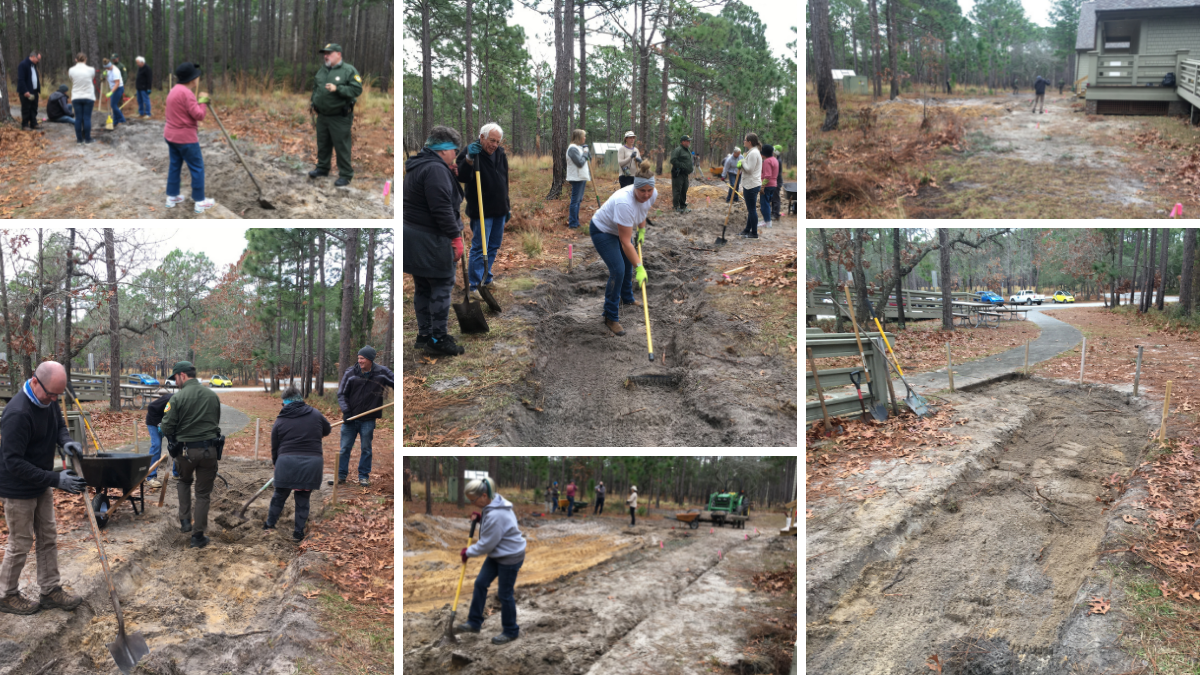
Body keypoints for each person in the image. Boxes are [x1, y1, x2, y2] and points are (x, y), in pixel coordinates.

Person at [0, 362, 85, 615]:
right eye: (50, 394)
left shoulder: (49, 401)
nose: (53, 400)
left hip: (41, 481)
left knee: (48, 536)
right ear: (35, 381)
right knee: (21, 541)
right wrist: (56, 479)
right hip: (16, 487)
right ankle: (6, 594)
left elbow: (58, 425)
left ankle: (50, 590)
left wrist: (67, 441)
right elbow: (13, 462)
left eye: (57, 396)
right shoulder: (18, 413)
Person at [404, 125, 466, 357]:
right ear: (444, 150)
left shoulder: (419, 165)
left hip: (412, 237)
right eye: (455, 150)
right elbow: (441, 209)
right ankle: (438, 339)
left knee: (422, 286)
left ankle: (424, 335)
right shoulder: (435, 170)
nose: (456, 155)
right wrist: (455, 237)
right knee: (441, 285)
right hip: (431, 239)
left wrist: (450, 173)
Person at [159, 361, 223, 549]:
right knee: (203, 494)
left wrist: (175, 435)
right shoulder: (213, 396)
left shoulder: (176, 399)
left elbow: (166, 426)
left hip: (185, 452)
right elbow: (215, 422)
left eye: (176, 378)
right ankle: (198, 536)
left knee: (184, 482)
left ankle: (185, 521)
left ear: (183, 376)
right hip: (209, 451)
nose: (176, 382)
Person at [590, 159, 657, 336]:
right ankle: (610, 316)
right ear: (635, 187)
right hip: (602, 230)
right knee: (618, 269)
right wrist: (640, 268)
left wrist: (642, 230)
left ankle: (627, 298)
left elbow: (643, 210)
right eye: (642, 190)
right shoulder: (624, 202)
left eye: (649, 190)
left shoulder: (652, 193)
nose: (646, 194)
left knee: (627, 263)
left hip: (619, 230)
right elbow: (625, 242)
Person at [456, 477, 526, 645]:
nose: (473, 503)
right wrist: (481, 518)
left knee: (504, 594)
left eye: (473, 500)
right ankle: (474, 623)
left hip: (509, 556)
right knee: (480, 583)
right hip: (498, 553)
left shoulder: (496, 513)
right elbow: (494, 526)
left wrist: (468, 552)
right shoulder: (494, 503)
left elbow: (486, 544)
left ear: (484, 495)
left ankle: (511, 631)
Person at [264, 386, 331, 542]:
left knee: (279, 496)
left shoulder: (280, 419)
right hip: (311, 465)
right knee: (302, 499)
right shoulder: (315, 414)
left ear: (285, 403)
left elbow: (275, 446)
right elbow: (326, 430)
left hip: (286, 463)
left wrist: (276, 464)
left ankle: (269, 525)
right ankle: (298, 533)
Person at [457, 123, 511, 300]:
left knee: (494, 246)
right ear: (482, 137)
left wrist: (507, 205)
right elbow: (462, 176)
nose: (494, 144)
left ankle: (486, 278)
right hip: (481, 209)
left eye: (497, 141)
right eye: (491, 140)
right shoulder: (470, 151)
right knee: (480, 247)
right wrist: (469, 159)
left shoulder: (500, 153)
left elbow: (504, 181)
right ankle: (474, 285)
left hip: (499, 209)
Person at [336, 346, 395, 487]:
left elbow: (398, 383)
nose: (359, 361)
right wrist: (346, 411)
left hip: (368, 419)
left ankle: (363, 476)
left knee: (366, 449)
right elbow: (341, 394)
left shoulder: (382, 372)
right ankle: (341, 475)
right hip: (350, 419)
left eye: (362, 358)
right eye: (358, 358)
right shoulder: (351, 372)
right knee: (344, 448)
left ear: (370, 359)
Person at [164, 62, 216, 214]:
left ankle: (172, 197)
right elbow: (199, 115)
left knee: (175, 165)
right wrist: (203, 102)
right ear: (192, 79)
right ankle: (200, 201)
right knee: (197, 167)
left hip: (171, 136)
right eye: (197, 77)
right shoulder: (187, 94)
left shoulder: (174, 90)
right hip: (185, 138)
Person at [309, 43, 363, 186]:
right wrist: (313, 102)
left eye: (329, 53)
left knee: (342, 146)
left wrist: (338, 89)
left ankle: (345, 175)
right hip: (322, 115)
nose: (326, 56)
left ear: (338, 54)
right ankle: (322, 168)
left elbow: (356, 90)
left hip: (340, 116)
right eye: (324, 53)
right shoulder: (322, 71)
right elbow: (316, 88)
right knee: (323, 143)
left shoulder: (348, 70)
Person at [144, 391, 174, 488]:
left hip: (169, 423)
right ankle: (150, 476)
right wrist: (159, 424)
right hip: (154, 421)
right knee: (156, 445)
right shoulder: (170, 400)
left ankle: (177, 474)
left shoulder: (187, 404)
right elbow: (151, 407)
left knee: (177, 444)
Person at [566, 129, 591, 229]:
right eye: (583, 136)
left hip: (582, 177)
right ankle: (572, 223)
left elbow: (587, 159)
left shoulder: (579, 148)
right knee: (575, 201)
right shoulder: (572, 149)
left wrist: (587, 154)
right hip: (576, 177)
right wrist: (585, 154)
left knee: (578, 200)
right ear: (579, 137)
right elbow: (580, 163)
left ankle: (576, 221)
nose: (585, 138)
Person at [739, 133, 763, 239]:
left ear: (750, 142)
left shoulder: (753, 153)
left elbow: (750, 169)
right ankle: (747, 230)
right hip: (751, 184)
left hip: (751, 185)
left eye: (745, 140)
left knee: (752, 210)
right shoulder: (752, 152)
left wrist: (743, 162)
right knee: (751, 209)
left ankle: (754, 233)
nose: (743, 141)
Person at [68, 53, 95, 144]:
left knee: (78, 118)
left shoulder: (71, 70)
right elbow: (92, 78)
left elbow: (72, 79)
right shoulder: (91, 69)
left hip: (76, 96)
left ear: (76, 60)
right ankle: (88, 139)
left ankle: (79, 139)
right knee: (87, 118)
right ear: (85, 59)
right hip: (88, 96)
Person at [16, 51, 41, 131]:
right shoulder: (23, 65)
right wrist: (25, 91)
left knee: (34, 107)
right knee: (26, 108)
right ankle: (25, 124)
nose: (38, 61)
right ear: (33, 56)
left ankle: (33, 123)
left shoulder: (33, 66)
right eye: (38, 59)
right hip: (26, 91)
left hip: (34, 90)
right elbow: (21, 79)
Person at [669, 135, 694, 212]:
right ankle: (676, 207)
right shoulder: (678, 150)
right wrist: (682, 166)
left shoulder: (687, 150)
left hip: (685, 174)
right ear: (683, 142)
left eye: (689, 141)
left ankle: (683, 206)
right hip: (678, 173)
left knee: (684, 190)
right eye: (687, 141)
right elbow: (673, 160)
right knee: (677, 190)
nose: (689, 142)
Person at [760, 144, 779, 229]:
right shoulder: (774, 159)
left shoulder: (767, 161)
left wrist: (762, 186)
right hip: (773, 184)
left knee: (765, 204)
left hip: (767, 185)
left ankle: (768, 222)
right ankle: (766, 220)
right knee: (767, 203)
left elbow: (767, 175)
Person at [104, 59, 127, 128]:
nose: (108, 69)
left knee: (113, 105)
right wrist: (105, 75)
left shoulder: (115, 71)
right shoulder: (108, 70)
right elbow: (107, 78)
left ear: (111, 65)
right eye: (106, 68)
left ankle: (121, 119)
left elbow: (117, 83)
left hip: (118, 88)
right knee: (114, 105)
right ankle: (115, 121)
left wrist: (111, 92)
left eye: (108, 67)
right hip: (113, 88)